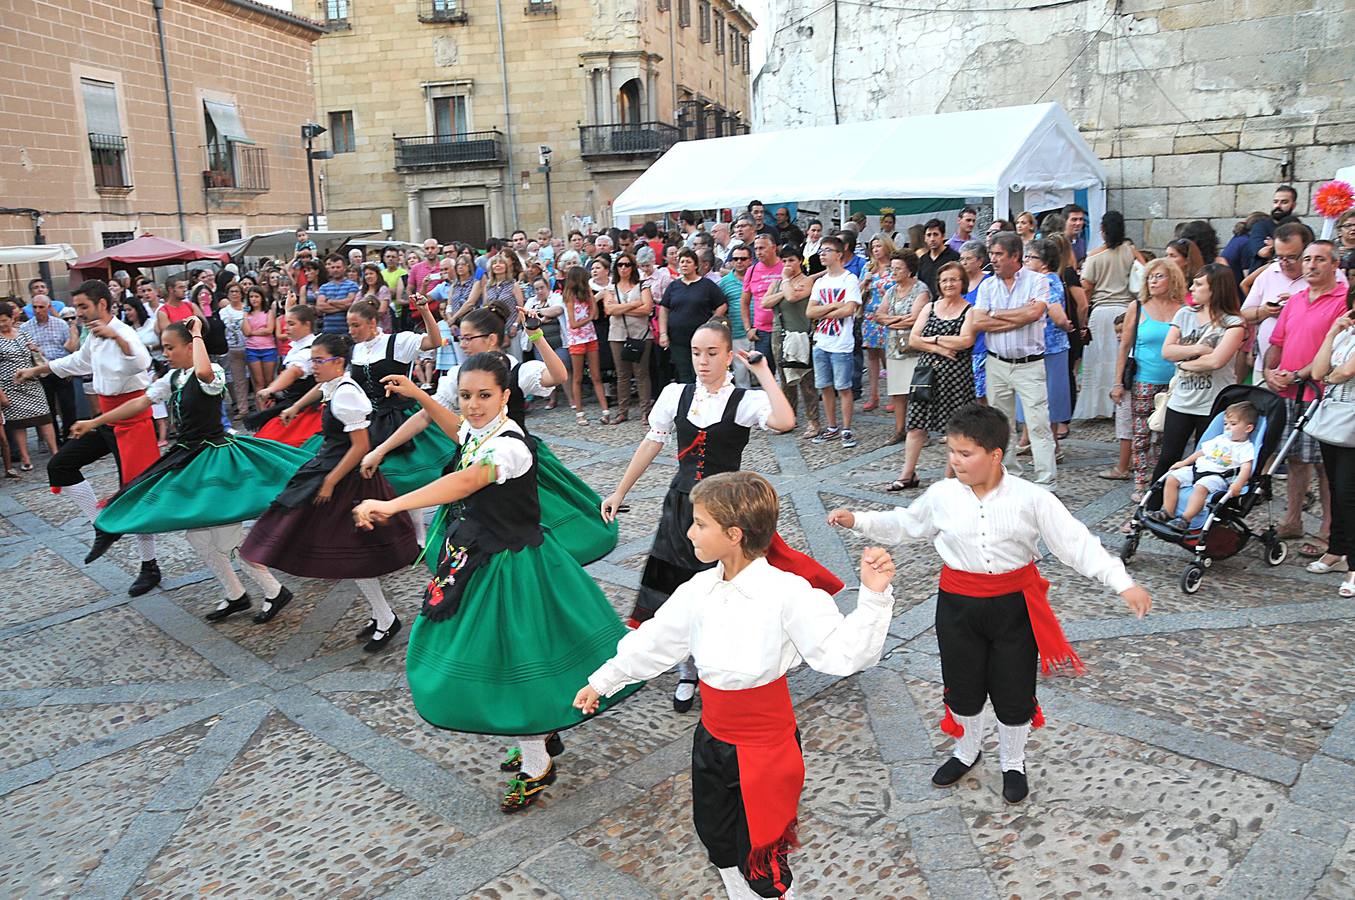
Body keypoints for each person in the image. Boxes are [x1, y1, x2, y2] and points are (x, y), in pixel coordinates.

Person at [577, 471, 893, 899]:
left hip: (766, 746)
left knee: (763, 854)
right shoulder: (699, 588)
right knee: (718, 838)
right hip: (712, 737)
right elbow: (657, 640)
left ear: (734, 534)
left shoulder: (788, 592)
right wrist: (604, 680)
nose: (689, 532)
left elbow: (843, 654)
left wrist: (874, 599)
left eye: (700, 523)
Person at [353, 353, 637, 812]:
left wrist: (392, 505)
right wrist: (422, 395)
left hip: (512, 568)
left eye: (484, 396)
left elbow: (468, 481)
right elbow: (460, 433)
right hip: (482, 558)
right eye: (465, 395)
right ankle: (540, 737)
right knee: (509, 657)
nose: (473, 405)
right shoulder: (481, 431)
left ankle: (537, 763)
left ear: (506, 396)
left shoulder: (511, 447)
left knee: (512, 664)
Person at [828, 404, 1152, 804]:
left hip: (1013, 607)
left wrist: (1123, 583)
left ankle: (1013, 761)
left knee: (1013, 688)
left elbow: (1076, 544)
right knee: (963, 685)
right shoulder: (942, 495)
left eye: (966, 454)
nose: (954, 460)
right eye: (951, 451)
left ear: (995, 455)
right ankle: (966, 750)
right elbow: (906, 524)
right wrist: (857, 520)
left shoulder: (1032, 499)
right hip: (958, 607)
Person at [602, 321, 841, 712]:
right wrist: (619, 490)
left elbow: (785, 421)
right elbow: (651, 442)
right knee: (677, 587)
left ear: (729, 355)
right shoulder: (676, 394)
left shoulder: (743, 400)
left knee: (727, 588)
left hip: (729, 513)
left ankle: (735, 660)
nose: (703, 360)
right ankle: (687, 670)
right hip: (682, 506)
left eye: (712, 353)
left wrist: (763, 371)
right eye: (697, 353)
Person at [79, 318, 310, 619]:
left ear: (190, 347)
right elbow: (140, 403)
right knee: (198, 537)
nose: (166, 353)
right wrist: (95, 422)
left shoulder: (210, 371)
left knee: (227, 538)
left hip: (217, 461)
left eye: (170, 347)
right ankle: (235, 594)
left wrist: (199, 333)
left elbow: (203, 371)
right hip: (191, 458)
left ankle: (275, 591)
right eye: (164, 348)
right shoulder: (173, 377)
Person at [240, 332, 417, 648]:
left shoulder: (348, 394)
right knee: (350, 555)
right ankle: (383, 616)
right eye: (312, 360)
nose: (313, 366)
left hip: (346, 478)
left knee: (353, 554)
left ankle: (386, 618)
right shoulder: (336, 385)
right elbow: (320, 389)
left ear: (338, 362)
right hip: (333, 469)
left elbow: (361, 445)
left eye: (319, 361)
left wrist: (331, 481)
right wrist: (294, 408)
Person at [15, 280, 162, 595]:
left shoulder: (122, 331)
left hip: (133, 420)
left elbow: (142, 361)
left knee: (135, 494)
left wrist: (117, 339)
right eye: (77, 307)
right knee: (60, 466)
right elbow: (77, 362)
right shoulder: (94, 335)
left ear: (103, 304)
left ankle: (150, 567)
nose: (79, 313)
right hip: (106, 420)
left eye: (84, 306)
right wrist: (35, 371)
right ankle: (103, 525)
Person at [1264, 240, 1348, 558]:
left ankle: (1328, 530)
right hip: (1288, 391)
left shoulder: (1343, 301)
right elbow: (1277, 342)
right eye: (1307, 259)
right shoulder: (1296, 299)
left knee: (1325, 465)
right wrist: (1269, 371)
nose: (1311, 265)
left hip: (1321, 394)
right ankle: (1293, 519)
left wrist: (1299, 374)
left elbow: (1336, 352)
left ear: (1334, 265)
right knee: (1296, 460)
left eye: (1319, 260)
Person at [971, 232, 1056, 486]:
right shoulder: (987, 285)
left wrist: (996, 315)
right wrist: (1019, 315)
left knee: (1038, 424)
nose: (993, 259)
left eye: (998, 254)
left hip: (1029, 364)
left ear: (1015, 256)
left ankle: (1045, 482)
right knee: (1001, 424)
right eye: (992, 254)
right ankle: (1009, 478)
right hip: (997, 362)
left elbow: (1036, 313)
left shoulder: (1037, 281)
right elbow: (978, 321)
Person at [1149, 264, 1247, 484]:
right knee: (1168, 457)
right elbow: (1167, 351)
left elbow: (1217, 361)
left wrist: (1182, 362)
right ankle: (1151, 507)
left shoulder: (1234, 323)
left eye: (1199, 284)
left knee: (1207, 459)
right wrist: (1198, 350)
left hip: (1213, 403)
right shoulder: (1184, 314)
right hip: (1182, 400)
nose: (1192, 288)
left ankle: (1194, 508)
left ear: (1215, 289)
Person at [891, 262, 976, 491]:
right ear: (939, 283)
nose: (949, 284)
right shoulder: (930, 307)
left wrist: (932, 339)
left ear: (962, 283)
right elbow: (913, 339)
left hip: (957, 377)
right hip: (926, 372)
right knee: (916, 425)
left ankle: (949, 480)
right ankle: (908, 474)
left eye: (954, 279)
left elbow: (966, 340)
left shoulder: (970, 310)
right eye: (945, 280)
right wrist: (940, 345)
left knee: (954, 429)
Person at [1111, 259, 1187, 497]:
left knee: (1166, 438)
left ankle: (1160, 483)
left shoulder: (1182, 309)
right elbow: (1124, 346)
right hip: (1144, 379)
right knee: (1142, 435)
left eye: (1159, 276)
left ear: (1172, 279)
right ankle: (1141, 485)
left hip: (1175, 382)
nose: (1153, 281)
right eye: (1150, 277)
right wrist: (1118, 382)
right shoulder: (1138, 306)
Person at [1075, 211, 1144, 421]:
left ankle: (1098, 405)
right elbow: (1145, 271)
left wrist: (1083, 318)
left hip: (1101, 311)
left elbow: (1086, 289)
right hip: (1125, 309)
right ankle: (1120, 402)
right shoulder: (1130, 251)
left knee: (1098, 360)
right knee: (1120, 357)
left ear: (1102, 230)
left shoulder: (1094, 257)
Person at [1151, 400, 1257, 531]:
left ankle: (1186, 519)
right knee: (1172, 478)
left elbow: (1247, 467)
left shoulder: (1245, 448)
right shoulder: (1220, 439)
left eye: (1233, 424)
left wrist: (1238, 484)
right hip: (1198, 468)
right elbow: (1201, 452)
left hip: (1218, 476)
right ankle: (1168, 511)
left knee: (1201, 487)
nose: (1227, 427)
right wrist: (1184, 462)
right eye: (1225, 424)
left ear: (1248, 428)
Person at [1309, 300, 1355, 593]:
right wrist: (1330, 334)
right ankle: (1336, 549)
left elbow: (1341, 374)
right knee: (1336, 488)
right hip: (1335, 417)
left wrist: (1330, 373)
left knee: (1349, 493)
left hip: (1351, 417)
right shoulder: (1345, 333)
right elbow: (1317, 371)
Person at [1013, 239, 1074, 458]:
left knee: (1048, 399)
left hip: (1050, 348)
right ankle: (1031, 441)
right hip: (1038, 348)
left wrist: (1065, 324)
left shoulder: (1047, 280)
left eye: (1030, 257)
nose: (1026, 260)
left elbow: (1056, 311)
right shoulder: (1042, 279)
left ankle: (1053, 447)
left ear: (1044, 262)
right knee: (1037, 397)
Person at [807, 236, 862, 449]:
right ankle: (831, 426)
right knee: (825, 387)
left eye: (827, 250)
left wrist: (824, 311)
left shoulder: (849, 279)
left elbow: (850, 309)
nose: (822, 253)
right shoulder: (820, 282)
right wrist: (834, 306)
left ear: (839, 254)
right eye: (821, 250)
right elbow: (810, 311)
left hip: (841, 343)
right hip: (821, 342)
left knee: (844, 387)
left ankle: (847, 428)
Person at [762, 245, 820, 438]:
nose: (787, 264)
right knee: (785, 380)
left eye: (791, 260)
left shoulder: (807, 281)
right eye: (784, 261)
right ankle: (789, 417)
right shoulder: (779, 283)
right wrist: (783, 287)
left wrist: (786, 283)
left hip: (801, 335)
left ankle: (813, 421)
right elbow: (765, 302)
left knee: (806, 380)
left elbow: (793, 297)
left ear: (799, 261)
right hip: (780, 334)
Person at [248, 304, 322, 446]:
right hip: (294, 403)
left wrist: (271, 389)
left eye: (291, 324)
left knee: (272, 442)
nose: (286, 328)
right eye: (286, 323)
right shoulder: (299, 344)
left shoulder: (309, 351)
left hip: (306, 408)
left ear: (307, 325)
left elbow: (293, 372)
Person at [878, 249, 928, 446]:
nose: (894, 272)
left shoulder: (921, 290)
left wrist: (891, 321)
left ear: (909, 270)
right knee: (898, 391)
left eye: (898, 268)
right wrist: (899, 320)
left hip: (914, 347)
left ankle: (920, 431)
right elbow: (879, 315)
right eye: (892, 268)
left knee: (918, 391)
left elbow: (916, 318)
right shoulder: (891, 291)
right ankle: (900, 430)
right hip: (894, 347)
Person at [0, 301, 59, 469]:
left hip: (31, 381)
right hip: (9, 384)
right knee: (18, 422)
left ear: (12, 318)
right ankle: (26, 458)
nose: (2, 324)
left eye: (5, 320)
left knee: (44, 417)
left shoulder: (23, 333)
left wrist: (35, 349)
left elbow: (37, 354)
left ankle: (55, 451)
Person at [660, 248, 728, 384]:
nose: (684, 264)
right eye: (682, 262)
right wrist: (663, 333)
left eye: (688, 262)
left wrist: (711, 323)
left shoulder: (706, 285)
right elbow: (664, 309)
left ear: (696, 265)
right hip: (678, 339)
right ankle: (689, 403)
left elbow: (722, 305)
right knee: (684, 374)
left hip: (702, 339)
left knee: (701, 372)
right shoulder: (674, 286)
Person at [19, 293, 79, 443]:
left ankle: (70, 437)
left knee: (68, 406)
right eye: (35, 307)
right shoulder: (25, 328)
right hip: (42, 371)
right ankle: (55, 440)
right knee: (48, 408)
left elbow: (69, 348)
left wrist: (69, 368)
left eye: (41, 307)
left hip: (60, 368)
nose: (38, 310)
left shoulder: (60, 324)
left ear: (49, 307)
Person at [603, 251, 652, 423]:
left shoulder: (643, 285)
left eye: (627, 264)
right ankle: (622, 412)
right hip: (617, 335)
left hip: (640, 334)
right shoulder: (611, 287)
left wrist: (620, 307)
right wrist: (634, 304)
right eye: (620, 265)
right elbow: (609, 310)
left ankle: (646, 411)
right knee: (622, 374)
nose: (624, 268)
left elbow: (647, 309)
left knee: (641, 374)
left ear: (633, 267)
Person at [860, 234, 897, 412]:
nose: (875, 249)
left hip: (888, 314)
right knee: (872, 356)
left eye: (879, 246)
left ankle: (893, 394)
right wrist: (865, 282)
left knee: (889, 355)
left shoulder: (894, 267)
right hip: (870, 315)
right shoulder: (869, 267)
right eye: (873, 246)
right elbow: (858, 291)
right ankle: (873, 394)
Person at [741, 234, 782, 376]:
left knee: (786, 374)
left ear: (774, 248)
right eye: (756, 248)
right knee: (765, 374)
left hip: (784, 328)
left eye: (762, 248)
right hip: (762, 332)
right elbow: (744, 302)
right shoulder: (751, 271)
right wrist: (748, 328)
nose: (758, 252)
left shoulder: (785, 266)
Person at [958, 240, 991, 403]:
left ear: (979, 261)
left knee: (982, 394)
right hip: (963, 346)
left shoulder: (989, 282)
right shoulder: (958, 282)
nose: (963, 263)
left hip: (982, 345)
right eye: (961, 259)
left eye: (968, 259)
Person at [1246, 185, 1302, 273]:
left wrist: (1273, 245)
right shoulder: (1261, 226)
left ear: (1293, 205)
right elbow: (1263, 252)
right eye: (1276, 202)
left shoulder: (1299, 227)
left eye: (1284, 202)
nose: (1278, 206)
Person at [916, 219, 960, 298]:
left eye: (935, 234)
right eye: (929, 235)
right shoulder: (922, 260)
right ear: (925, 238)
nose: (932, 239)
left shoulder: (955, 257)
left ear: (943, 236)